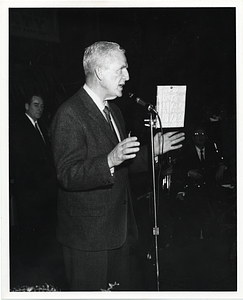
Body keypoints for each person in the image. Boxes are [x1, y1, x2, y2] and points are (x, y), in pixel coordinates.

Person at [50, 41, 185, 291]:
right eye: (121, 69)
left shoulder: (114, 112)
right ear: (100, 72)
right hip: (88, 239)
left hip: (118, 232)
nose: (128, 76)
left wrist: (151, 151)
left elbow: (122, 165)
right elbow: (67, 174)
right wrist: (109, 160)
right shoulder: (69, 114)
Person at [10, 94, 58, 267]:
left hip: (42, 190)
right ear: (26, 106)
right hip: (29, 190)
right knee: (29, 229)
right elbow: (22, 161)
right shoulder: (18, 127)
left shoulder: (42, 126)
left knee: (40, 229)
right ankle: (28, 267)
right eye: (36, 105)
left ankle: (39, 263)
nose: (40, 109)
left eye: (42, 106)